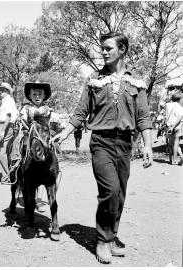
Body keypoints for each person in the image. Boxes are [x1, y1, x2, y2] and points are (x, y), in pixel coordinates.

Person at [51, 32, 153, 264]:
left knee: (120, 194)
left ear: (122, 50)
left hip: (125, 144)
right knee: (110, 190)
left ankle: (111, 237)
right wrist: (65, 132)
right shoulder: (94, 80)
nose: (104, 52)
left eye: (108, 48)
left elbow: (144, 118)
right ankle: (102, 240)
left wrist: (147, 145)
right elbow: (80, 113)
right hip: (101, 143)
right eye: (103, 49)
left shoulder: (136, 83)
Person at [20, 80, 53, 212]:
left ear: (44, 95)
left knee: (52, 147)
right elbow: (22, 120)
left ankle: (54, 168)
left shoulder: (47, 109)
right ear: (30, 95)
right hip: (30, 134)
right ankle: (19, 167)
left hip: (43, 136)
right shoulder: (26, 108)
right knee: (22, 145)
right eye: (34, 94)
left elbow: (50, 124)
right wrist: (29, 128)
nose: (37, 96)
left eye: (40, 94)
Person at [0, 82, 19, 184]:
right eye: (1, 89)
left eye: (3, 89)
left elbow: (9, 116)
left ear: (8, 91)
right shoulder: (7, 101)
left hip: (4, 126)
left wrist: (3, 130)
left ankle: (7, 176)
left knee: (0, 153)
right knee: (4, 152)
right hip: (3, 126)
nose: (1, 91)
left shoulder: (8, 100)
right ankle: (9, 175)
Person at [164, 92, 183, 165]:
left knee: (170, 144)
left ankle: (172, 160)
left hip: (169, 126)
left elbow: (166, 117)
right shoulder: (180, 107)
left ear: (172, 98)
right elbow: (179, 118)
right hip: (177, 126)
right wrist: (174, 126)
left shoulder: (167, 105)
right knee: (176, 143)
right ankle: (176, 159)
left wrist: (170, 127)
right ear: (179, 99)